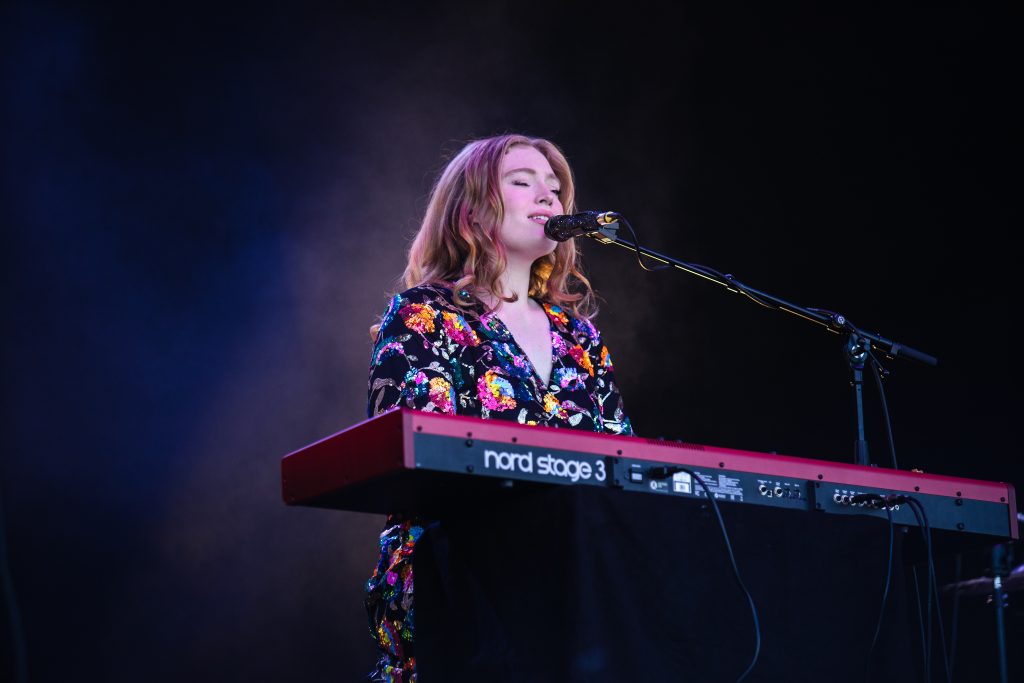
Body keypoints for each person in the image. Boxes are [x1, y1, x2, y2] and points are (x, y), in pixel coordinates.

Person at [364, 133, 632, 682]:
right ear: (470, 207)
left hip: (566, 587)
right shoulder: (424, 315)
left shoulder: (578, 338)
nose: (548, 199)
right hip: (457, 580)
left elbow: (621, 470)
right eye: (522, 182)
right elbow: (418, 458)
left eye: (555, 189)